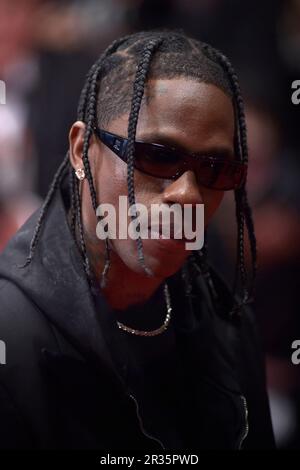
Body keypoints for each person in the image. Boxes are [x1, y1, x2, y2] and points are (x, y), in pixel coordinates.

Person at [0, 30, 275, 450]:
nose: (187, 194)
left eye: (216, 170)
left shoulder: (225, 322)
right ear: (80, 150)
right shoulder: (12, 337)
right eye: (157, 155)